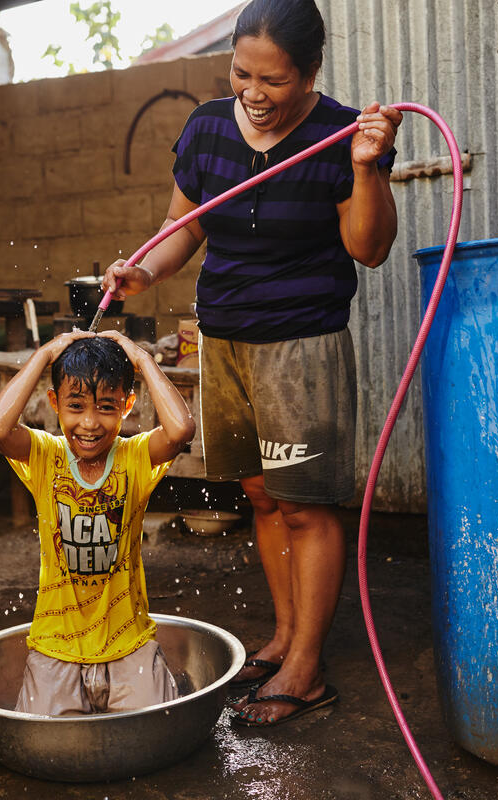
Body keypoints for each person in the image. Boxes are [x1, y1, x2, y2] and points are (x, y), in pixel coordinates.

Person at [100, 0, 401, 727]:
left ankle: (307, 668)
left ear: (309, 74)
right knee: (262, 497)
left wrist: (365, 169)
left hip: (302, 342)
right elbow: (186, 225)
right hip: (225, 338)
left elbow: (369, 246)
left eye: (274, 80)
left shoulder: (341, 133)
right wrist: (145, 272)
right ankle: (287, 634)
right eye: (242, 73)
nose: (255, 93)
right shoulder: (207, 126)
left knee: (306, 503)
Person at [0, 330, 197, 715]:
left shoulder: (134, 457)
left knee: (155, 732)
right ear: (54, 404)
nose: (90, 423)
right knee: (45, 746)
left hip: (128, 642)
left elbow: (180, 430)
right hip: (55, 645)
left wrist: (143, 358)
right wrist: (45, 353)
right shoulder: (46, 457)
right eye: (76, 406)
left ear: (127, 406)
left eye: (107, 407)